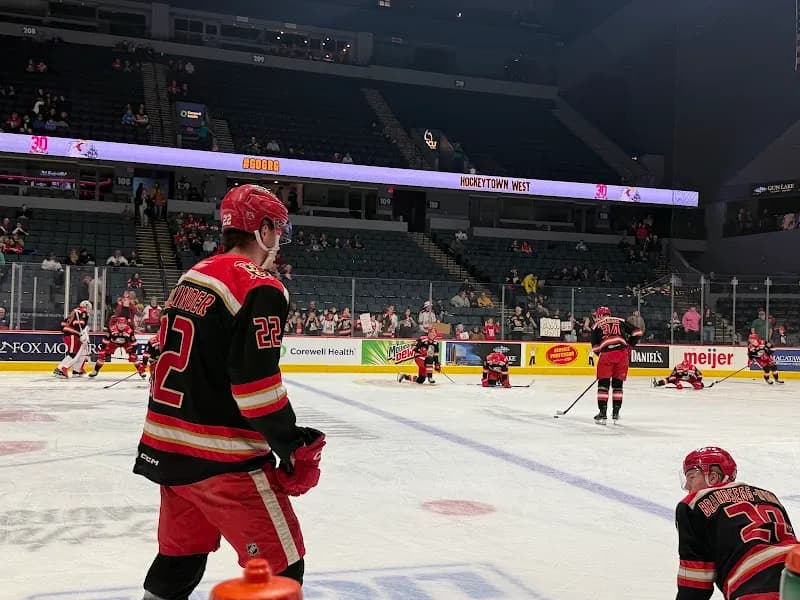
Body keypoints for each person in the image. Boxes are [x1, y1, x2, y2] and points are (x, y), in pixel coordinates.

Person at [134, 184, 325, 599]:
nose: (279, 242)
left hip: (169, 452)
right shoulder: (260, 286)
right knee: (281, 566)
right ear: (264, 229)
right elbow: (255, 387)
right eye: (278, 230)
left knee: (180, 559)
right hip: (222, 456)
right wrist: (292, 444)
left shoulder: (192, 275)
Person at [675, 446, 796, 600]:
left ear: (712, 478)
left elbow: (695, 586)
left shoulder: (692, 505)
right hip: (794, 576)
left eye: (691, 477)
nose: (687, 486)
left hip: (756, 585)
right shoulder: (771, 497)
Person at [591, 306, 643, 424]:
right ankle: (615, 413)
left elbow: (595, 348)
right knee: (618, 385)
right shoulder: (620, 320)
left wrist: (603, 355)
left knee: (603, 386)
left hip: (607, 356)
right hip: (622, 355)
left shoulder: (596, 325)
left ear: (599, 315)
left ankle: (603, 414)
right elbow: (638, 332)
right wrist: (629, 344)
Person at [54, 300, 92, 378]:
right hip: (72, 334)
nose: (90, 310)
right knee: (73, 354)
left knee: (77, 353)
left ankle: (77, 370)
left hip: (70, 334)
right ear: (87, 307)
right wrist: (80, 333)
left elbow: (63, 324)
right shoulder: (83, 312)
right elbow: (78, 323)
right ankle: (60, 369)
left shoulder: (75, 311)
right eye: (89, 308)